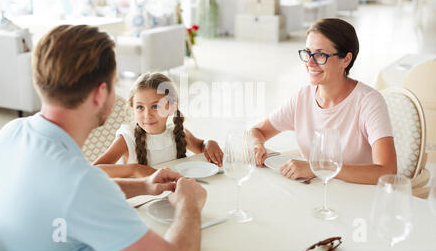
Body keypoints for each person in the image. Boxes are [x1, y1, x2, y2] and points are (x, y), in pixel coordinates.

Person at [0, 25, 206, 251]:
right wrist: (188, 205)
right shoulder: (80, 183)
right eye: (115, 82)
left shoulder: (10, 133)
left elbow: (74, 195)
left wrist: (143, 186)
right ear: (101, 93)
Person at [250, 18, 397, 185]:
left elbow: (387, 171)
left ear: (346, 60)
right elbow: (257, 131)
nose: (310, 63)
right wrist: (257, 145)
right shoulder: (303, 97)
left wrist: (317, 168)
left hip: (358, 199)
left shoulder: (369, 102)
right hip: (314, 195)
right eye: (307, 53)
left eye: (320, 55)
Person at [93, 72, 224, 178]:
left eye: (155, 106)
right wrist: (135, 169)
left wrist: (209, 143)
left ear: (172, 107)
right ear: (132, 108)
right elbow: (93, 171)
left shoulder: (178, 132)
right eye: (140, 107)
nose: (147, 115)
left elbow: (201, 147)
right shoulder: (127, 139)